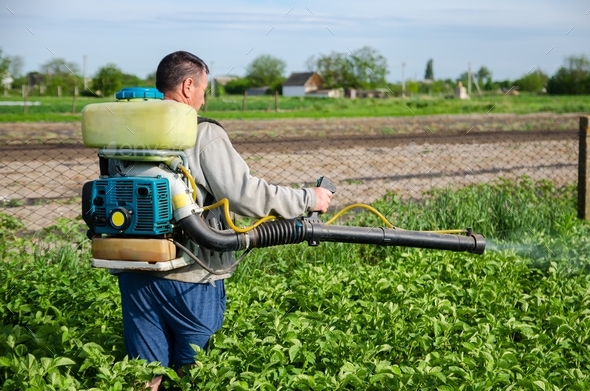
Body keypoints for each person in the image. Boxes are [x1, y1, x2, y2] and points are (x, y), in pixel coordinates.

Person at [116, 51, 333, 390]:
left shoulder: (125, 129)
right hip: (190, 273)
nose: (204, 97)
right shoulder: (200, 133)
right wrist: (309, 198)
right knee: (195, 372)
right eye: (204, 88)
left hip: (134, 269)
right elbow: (244, 195)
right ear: (188, 86)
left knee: (146, 376)